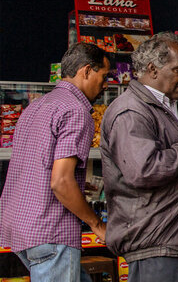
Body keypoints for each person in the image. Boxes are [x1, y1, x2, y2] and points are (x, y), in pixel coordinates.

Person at [0, 43, 110, 282]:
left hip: (19, 225)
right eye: (104, 76)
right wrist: (96, 223)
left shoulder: (37, 106)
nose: (106, 84)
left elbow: (33, 167)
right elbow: (61, 181)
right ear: (86, 71)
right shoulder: (76, 110)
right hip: (50, 232)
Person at [100, 32, 178, 282]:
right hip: (155, 241)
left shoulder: (170, 107)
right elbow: (143, 169)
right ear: (152, 69)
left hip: (171, 239)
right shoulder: (131, 111)